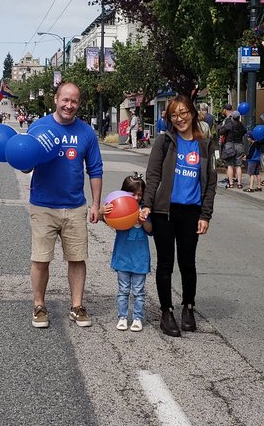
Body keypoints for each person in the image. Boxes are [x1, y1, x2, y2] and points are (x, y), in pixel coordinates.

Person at [27, 81, 103, 330]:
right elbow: (26, 163)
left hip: (74, 206)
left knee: (77, 259)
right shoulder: (39, 127)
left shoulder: (86, 133)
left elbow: (95, 169)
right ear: (56, 99)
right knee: (40, 260)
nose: (69, 105)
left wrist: (95, 204)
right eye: (65, 100)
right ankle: (39, 305)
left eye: (74, 101)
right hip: (43, 206)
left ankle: (77, 306)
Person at [140, 95, 216, 338]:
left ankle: (188, 307)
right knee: (165, 264)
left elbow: (211, 184)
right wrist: (146, 205)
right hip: (165, 211)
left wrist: (205, 215)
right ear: (169, 118)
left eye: (184, 113)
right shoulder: (164, 141)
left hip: (191, 212)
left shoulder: (205, 145)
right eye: (174, 114)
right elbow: (152, 176)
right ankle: (166, 311)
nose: (180, 118)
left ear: (192, 113)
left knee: (188, 263)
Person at [106, 174, 152, 332]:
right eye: (133, 194)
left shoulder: (145, 211)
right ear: (124, 193)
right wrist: (103, 211)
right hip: (123, 257)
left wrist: (143, 220)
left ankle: (138, 317)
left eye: (140, 194)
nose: (137, 197)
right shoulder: (120, 208)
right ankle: (122, 317)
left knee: (139, 291)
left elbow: (151, 230)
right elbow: (107, 220)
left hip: (140, 258)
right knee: (123, 290)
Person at [218, 106, 248, 190]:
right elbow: (244, 132)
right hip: (239, 145)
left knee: (230, 165)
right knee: (238, 165)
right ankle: (239, 183)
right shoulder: (241, 125)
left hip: (229, 145)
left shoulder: (229, 124)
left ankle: (231, 183)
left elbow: (221, 132)